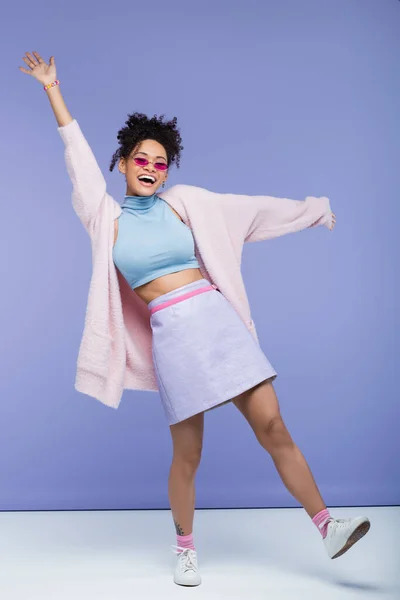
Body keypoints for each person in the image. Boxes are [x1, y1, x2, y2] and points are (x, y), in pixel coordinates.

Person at [19, 50, 370, 587]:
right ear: (123, 162)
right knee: (189, 452)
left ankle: (327, 526)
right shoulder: (105, 217)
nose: (152, 170)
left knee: (274, 426)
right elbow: (78, 158)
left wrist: (312, 210)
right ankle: (184, 548)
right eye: (142, 160)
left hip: (218, 322)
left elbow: (251, 210)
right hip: (173, 337)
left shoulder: (183, 203)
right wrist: (52, 89)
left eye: (161, 163)